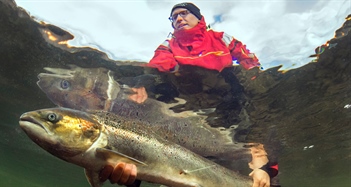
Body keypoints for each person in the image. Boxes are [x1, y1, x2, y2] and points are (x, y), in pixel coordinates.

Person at [101, 2, 278, 187]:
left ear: (199, 17)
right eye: (174, 17)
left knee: (265, 169)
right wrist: (142, 84)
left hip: (226, 100)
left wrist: (255, 76)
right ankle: (134, 171)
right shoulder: (169, 44)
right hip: (187, 104)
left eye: (184, 13)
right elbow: (157, 65)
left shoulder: (221, 38)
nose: (178, 18)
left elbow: (246, 57)